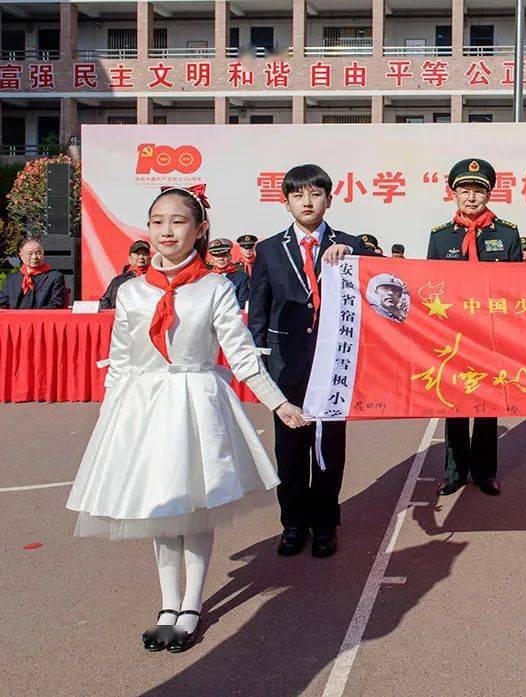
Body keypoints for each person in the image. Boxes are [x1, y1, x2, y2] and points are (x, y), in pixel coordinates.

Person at [66, 185, 309, 654]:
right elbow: (119, 361)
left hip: (196, 402)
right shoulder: (132, 293)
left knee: (194, 505)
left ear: (199, 230)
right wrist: (110, 419)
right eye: (157, 221)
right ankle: (166, 604)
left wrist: (279, 403)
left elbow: (242, 359)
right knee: (161, 507)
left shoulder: (214, 288)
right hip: (144, 408)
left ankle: (192, 604)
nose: (165, 231)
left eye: (178, 221)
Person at [248, 164, 374, 559]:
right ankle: (292, 524)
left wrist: (355, 255)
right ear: (285, 202)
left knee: (328, 448)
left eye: (315, 193)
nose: (307, 201)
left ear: (329, 199)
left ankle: (324, 524)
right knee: (290, 449)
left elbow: (381, 279)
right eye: (298, 195)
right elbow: (259, 313)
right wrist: (263, 370)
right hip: (286, 367)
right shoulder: (268, 249)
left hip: (333, 366)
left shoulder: (350, 243)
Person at [427, 157, 523, 498]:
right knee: (453, 403)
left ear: (488, 194)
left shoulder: (508, 233)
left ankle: (485, 473)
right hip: (454, 335)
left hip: (492, 334)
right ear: (453, 194)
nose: (471, 197)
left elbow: (518, 289)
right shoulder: (440, 238)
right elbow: (430, 286)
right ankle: (454, 472)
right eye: (464, 190)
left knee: (488, 404)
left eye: (478, 190)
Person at [0, 237, 66, 309]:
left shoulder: (55, 277)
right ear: (21, 256)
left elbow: (56, 304)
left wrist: (34, 317)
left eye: (38, 253)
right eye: (30, 254)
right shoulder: (12, 278)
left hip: (43, 318)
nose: (34, 257)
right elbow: (3, 304)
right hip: (15, 319)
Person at [99, 240, 151, 310]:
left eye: (144, 254)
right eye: (137, 254)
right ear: (129, 258)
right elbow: (104, 300)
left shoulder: (155, 279)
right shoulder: (117, 280)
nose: (141, 257)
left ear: (149, 258)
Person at [208, 238, 250, 306]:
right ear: (212, 259)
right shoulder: (206, 278)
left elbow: (243, 303)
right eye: (217, 256)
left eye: (224, 255)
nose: (221, 258)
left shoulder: (241, 278)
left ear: (230, 257)